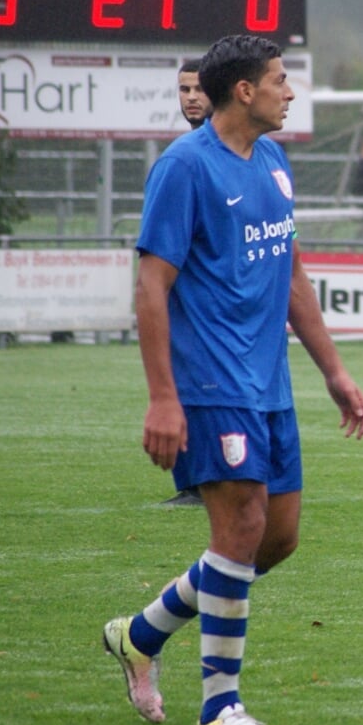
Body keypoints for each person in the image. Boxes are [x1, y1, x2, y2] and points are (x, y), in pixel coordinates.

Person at [103, 34, 363, 725]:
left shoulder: (275, 162)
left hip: (269, 383)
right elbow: (151, 287)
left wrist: (334, 372)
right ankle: (221, 705)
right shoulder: (184, 169)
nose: (290, 92)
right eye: (281, 80)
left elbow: (291, 274)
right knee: (241, 528)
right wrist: (164, 398)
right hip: (209, 380)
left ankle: (138, 634)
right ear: (244, 91)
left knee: (274, 539)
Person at [159, 59, 213, 507]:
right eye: (183, 89)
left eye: (198, 88)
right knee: (185, 381)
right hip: (185, 295)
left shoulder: (234, 151)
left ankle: (206, 479)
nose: (191, 97)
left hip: (213, 298)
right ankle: (193, 481)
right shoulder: (181, 155)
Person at [177, 59, 209, 130]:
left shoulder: (234, 140)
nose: (191, 97)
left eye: (200, 89)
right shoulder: (183, 141)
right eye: (185, 90)